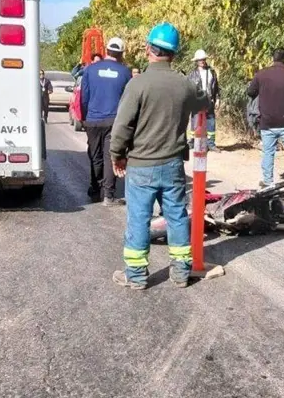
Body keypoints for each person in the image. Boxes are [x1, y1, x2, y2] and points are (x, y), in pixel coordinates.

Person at [109, 22, 210, 289]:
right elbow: (205, 103)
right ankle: (180, 273)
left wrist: (117, 155)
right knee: (176, 216)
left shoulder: (138, 84)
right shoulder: (185, 85)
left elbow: (122, 127)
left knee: (139, 218)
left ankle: (137, 277)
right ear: (174, 54)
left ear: (147, 49)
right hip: (173, 164)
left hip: (142, 165)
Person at [246, 47, 284, 189]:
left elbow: (250, 92)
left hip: (267, 121)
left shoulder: (261, 75)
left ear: (272, 58)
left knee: (268, 151)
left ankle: (268, 181)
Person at [80, 38, 131, 205]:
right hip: (114, 121)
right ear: (121, 54)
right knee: (111, 156)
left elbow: (84, 97)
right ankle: (108, 196)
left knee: (95, 156)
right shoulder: (125, 73)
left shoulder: (90, 69)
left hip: (93, 120)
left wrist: (85, 117)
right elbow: (127, 100)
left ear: (106, 51)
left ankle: (95, 188)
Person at [186, 49, 220, 151]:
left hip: (209, 100)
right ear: (196, 61)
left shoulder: (212, 72)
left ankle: (211, 143)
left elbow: (216, 87)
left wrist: (217, 99)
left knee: (211, 121)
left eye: (203, 59)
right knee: (195, 121)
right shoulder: (192, 74)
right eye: (199, 59)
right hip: (197, 101)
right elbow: (189, 89)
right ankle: (193, 141)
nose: (202, 61)